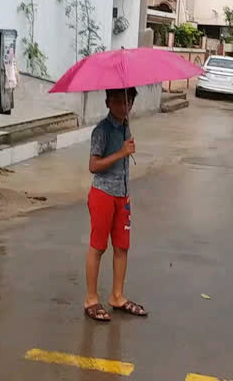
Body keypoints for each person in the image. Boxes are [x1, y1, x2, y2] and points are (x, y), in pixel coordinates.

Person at [84, 87, 147, 321]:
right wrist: (121, 152)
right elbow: (93, 166)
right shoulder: (101, 130)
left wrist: (126, 149)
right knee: (98, 246)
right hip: (103, 194)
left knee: (122, 247)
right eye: (119, 101)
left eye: (128, 101)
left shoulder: (125, 127)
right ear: (108, 102)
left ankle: (117, 296)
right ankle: (91, 298)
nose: (124, 106)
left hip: (123, 194)